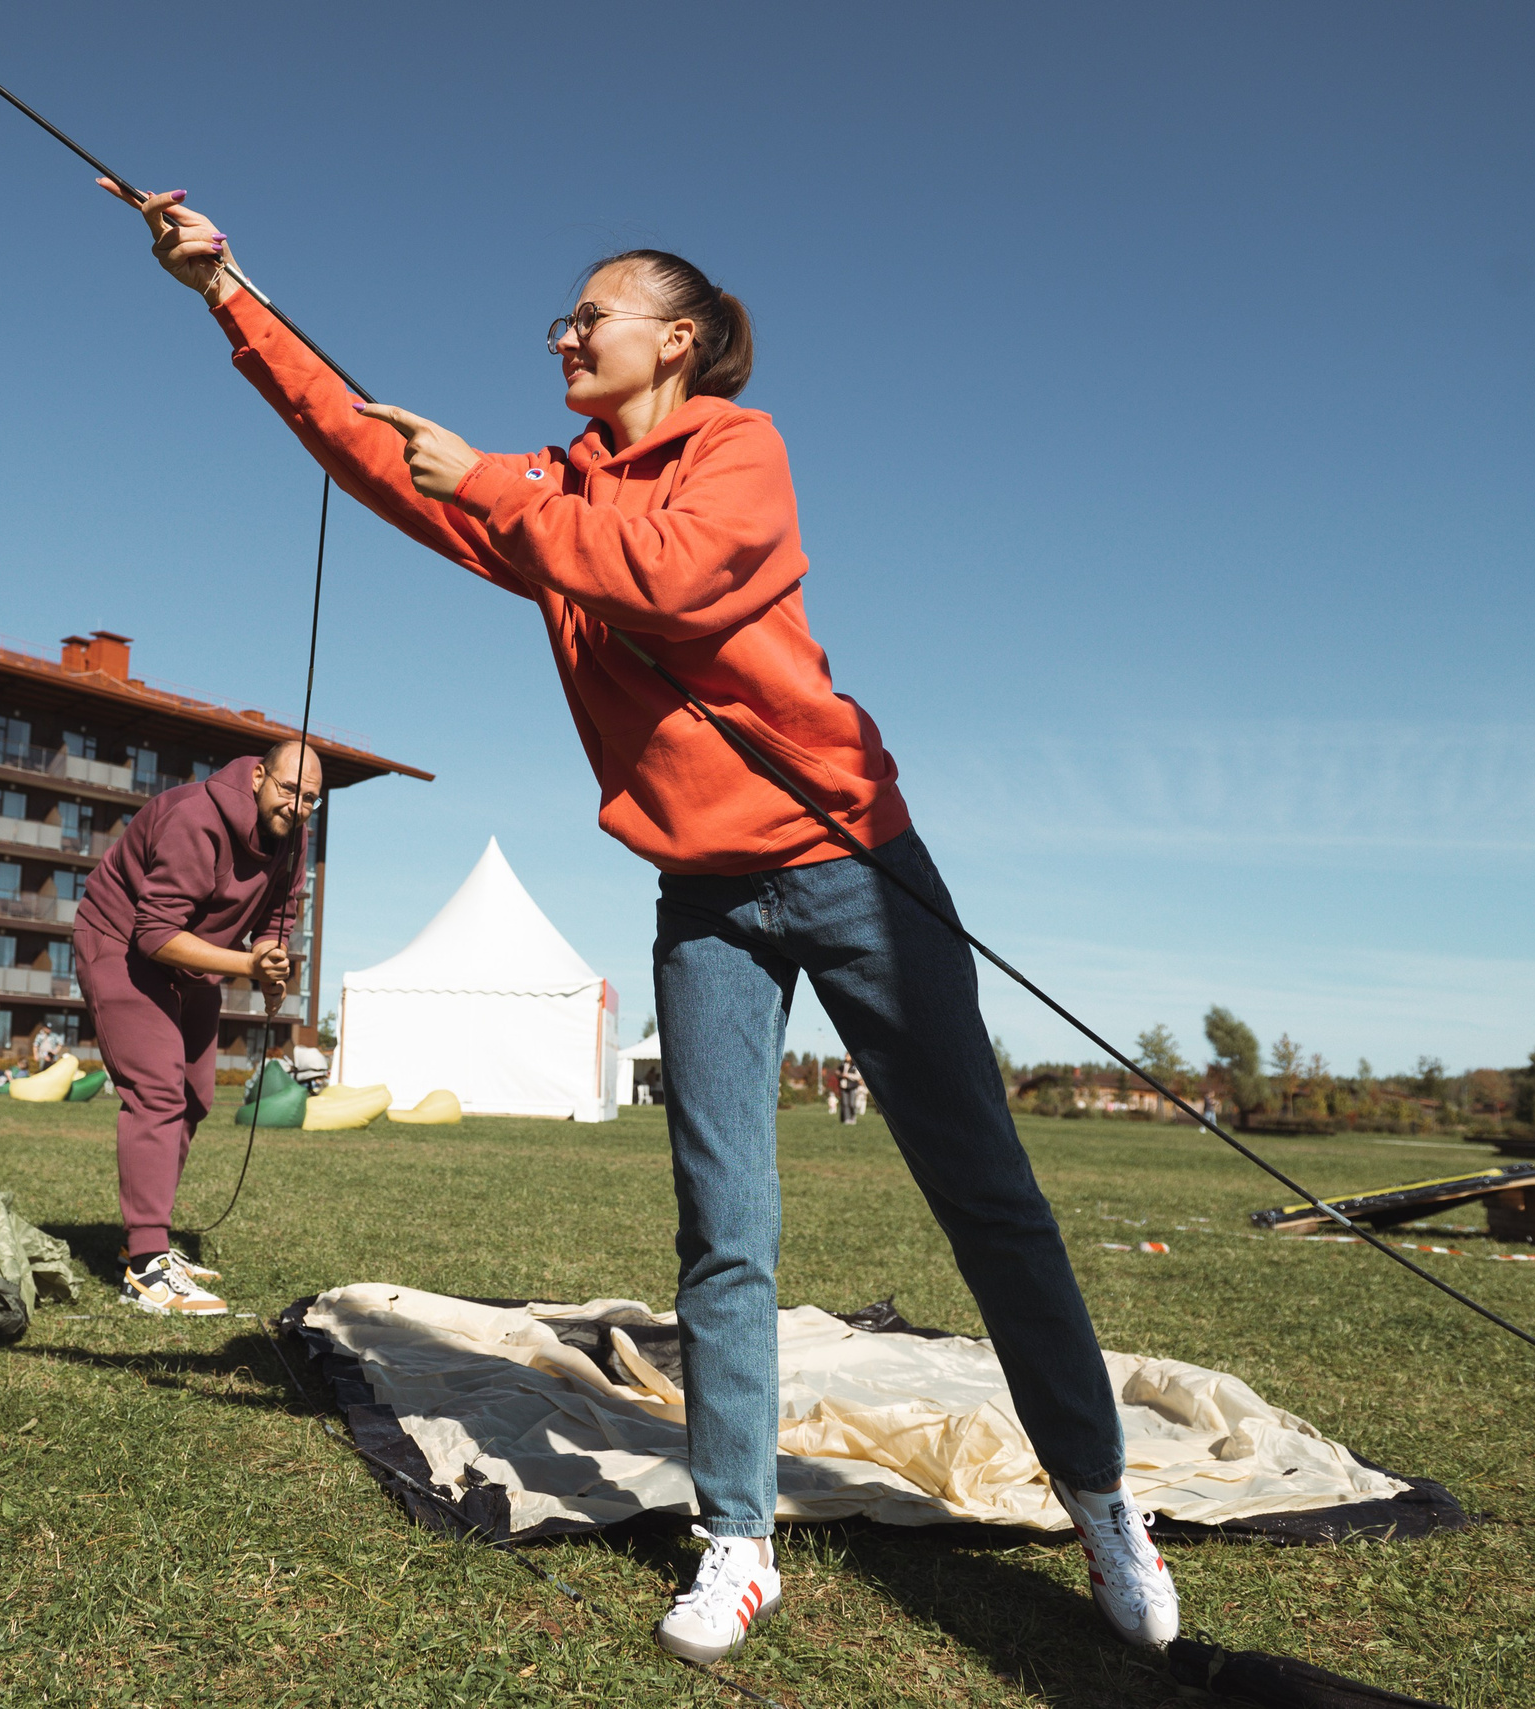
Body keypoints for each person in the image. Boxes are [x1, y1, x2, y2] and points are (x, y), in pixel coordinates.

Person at [113, 194, 1178, 1658]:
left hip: (856, 860)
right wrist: (225, 290)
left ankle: (1105, 1497)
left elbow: (671, 576)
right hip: (705, 898)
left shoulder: (742, 449)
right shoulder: (543, 486)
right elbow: (368, 447)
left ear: (675, 341)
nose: (562, 330)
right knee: (723, 1229)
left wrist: (496, 486)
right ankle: (736, 1536)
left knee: (986, 1193)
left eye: (590, 313)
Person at [72, 740, 317, 1318]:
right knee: (156, 1092)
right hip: (120, 944)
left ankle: (143, 1242)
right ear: (258, 776)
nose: (298, 807)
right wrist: (245, 964)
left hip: (197, 958)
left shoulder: (293, 833)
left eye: (311, 799)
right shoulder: (194, 818)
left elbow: (280, 913)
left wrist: (271, 962)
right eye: (289, 790)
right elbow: (153, 934)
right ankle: (147, 1266)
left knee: (194, 1096)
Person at [838, 1054, 869, 1125]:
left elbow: (858, 1077)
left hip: (852, 1086)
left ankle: (853, 1117)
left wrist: (848, 1075)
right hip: (844, 1086)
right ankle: (847, 1119)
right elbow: (838, 1072)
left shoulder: (854, 1066)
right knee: (845, 1103)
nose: (846, 1057)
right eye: (845, 1056)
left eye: (847, 1056)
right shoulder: (842, 1065)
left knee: (852, 1103)